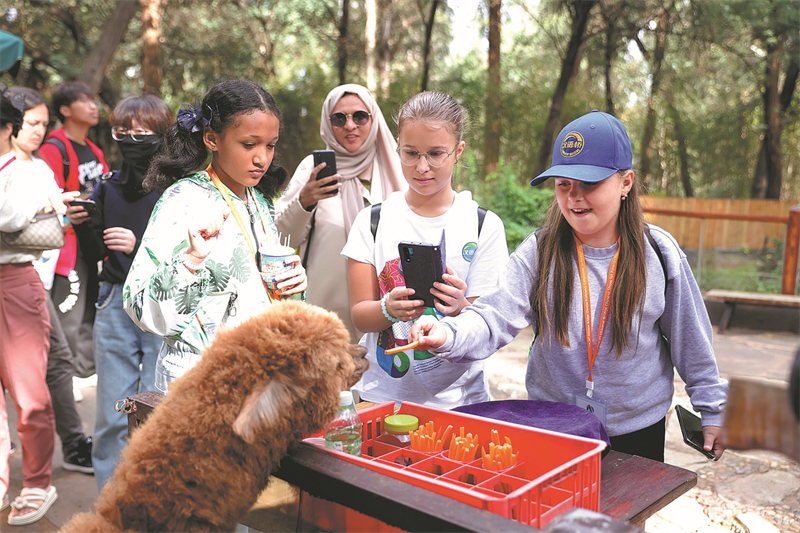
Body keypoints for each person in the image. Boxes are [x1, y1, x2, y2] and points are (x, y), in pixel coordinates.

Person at [409, 110, 728, 462]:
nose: (574, 197)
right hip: (555, 423)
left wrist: (712, 410)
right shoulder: (539, 251)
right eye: (563, 184)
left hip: (638, 429)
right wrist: (447, 333)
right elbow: (492, 316)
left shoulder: (659, 253)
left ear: (625, 183)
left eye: (589, 184)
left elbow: (691, 339)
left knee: (629, 501)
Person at [123, 79, 307, 394]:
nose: (262, 158)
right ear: (212, 139)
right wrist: (192, 260)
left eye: (270, 145)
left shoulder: (260, 202)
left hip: (261, 375)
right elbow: (139, 305)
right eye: (249, 144)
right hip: (199, 380)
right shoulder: (182, 199)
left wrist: (294, 286)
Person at [341, 91, 509, 409]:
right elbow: (360, 316)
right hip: (381, 397)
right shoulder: (371, 221)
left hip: (460, 402)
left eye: (435, 154)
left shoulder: (483, 226)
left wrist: (459, 305)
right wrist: (388, 309)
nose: (422, 166)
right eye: (411, 153)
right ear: (398, 148)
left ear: (458, 151)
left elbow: (490, 325)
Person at [66, 96, 171, 489]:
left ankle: (156, 497)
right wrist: (82, 224)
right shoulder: (107, 186)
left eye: (142, 133)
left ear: (162, 136)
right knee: (113, 414)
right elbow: (96, 254)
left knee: (160, 410)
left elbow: (193, 254)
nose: (131, 140)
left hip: (163, 304)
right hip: (114, 301)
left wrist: (138, 244)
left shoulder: (178, 189)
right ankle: (110, 506)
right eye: (122, 132)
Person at [6, 88, 95, 477]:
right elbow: (11, 220)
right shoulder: (14, 168)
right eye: (32, 123)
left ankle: (70, 446)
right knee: (43, 366)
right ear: (10, 124)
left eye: (43, 123)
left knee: (56, 361)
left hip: (35, 277)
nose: (39, 131)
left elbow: (41, 223)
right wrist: (48, 208)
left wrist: (62, 213)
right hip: (19, 280)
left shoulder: (39, 167)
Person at [274, 84, 406, 342]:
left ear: (373, 119)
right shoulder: (313, 169)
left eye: (360, 116)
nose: (350, 125)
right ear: (328, 122)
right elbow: (280, 238)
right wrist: (304, 201)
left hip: (389, 316)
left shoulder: (395, 167)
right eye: (339, 118)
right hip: (325, 318)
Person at [0, 86, 65, 525]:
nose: (38, 130)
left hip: (14, 283)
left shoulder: (30, 170)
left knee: (28, 394)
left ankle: (39, 482)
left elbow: (10, 217)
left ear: (6, 128)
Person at [39, 81, 108, 379]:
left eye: (93, 99)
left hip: (91, 239)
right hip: (66, 244)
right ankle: (63, 377)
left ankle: (83, 372)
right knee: (69, 310)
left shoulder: (94, 150)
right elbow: (47, 198)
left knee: (89, 307)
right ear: (65, 110)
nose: (93, 105)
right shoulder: (53, 148)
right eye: (84, 100)